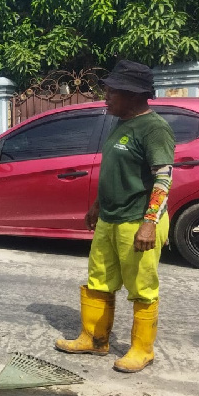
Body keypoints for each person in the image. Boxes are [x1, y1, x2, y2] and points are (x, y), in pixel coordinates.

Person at [55, 60, 175, 373]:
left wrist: (149, 223)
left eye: (112, 91)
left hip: (138, 221)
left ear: (133, 94)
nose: (106, 97)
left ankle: (142, 349)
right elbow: (115, 172)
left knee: (141, 286)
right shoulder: (121, 123)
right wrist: (97, 205)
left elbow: (163, 179)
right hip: (110, 218)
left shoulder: (154, 129)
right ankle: (94, 339)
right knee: (99, 279)